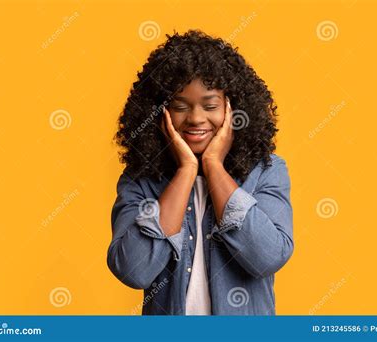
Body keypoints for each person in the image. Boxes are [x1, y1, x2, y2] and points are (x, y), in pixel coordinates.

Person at [107, 29, 293, 315]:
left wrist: (214, 165)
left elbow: (268, 257)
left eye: (210, 106)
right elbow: (134, 270)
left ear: (233, 109)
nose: (195, 118)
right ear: (160, 113)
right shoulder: (141, 179)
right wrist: (186, 170)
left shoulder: (267, 171)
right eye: (180, 106)